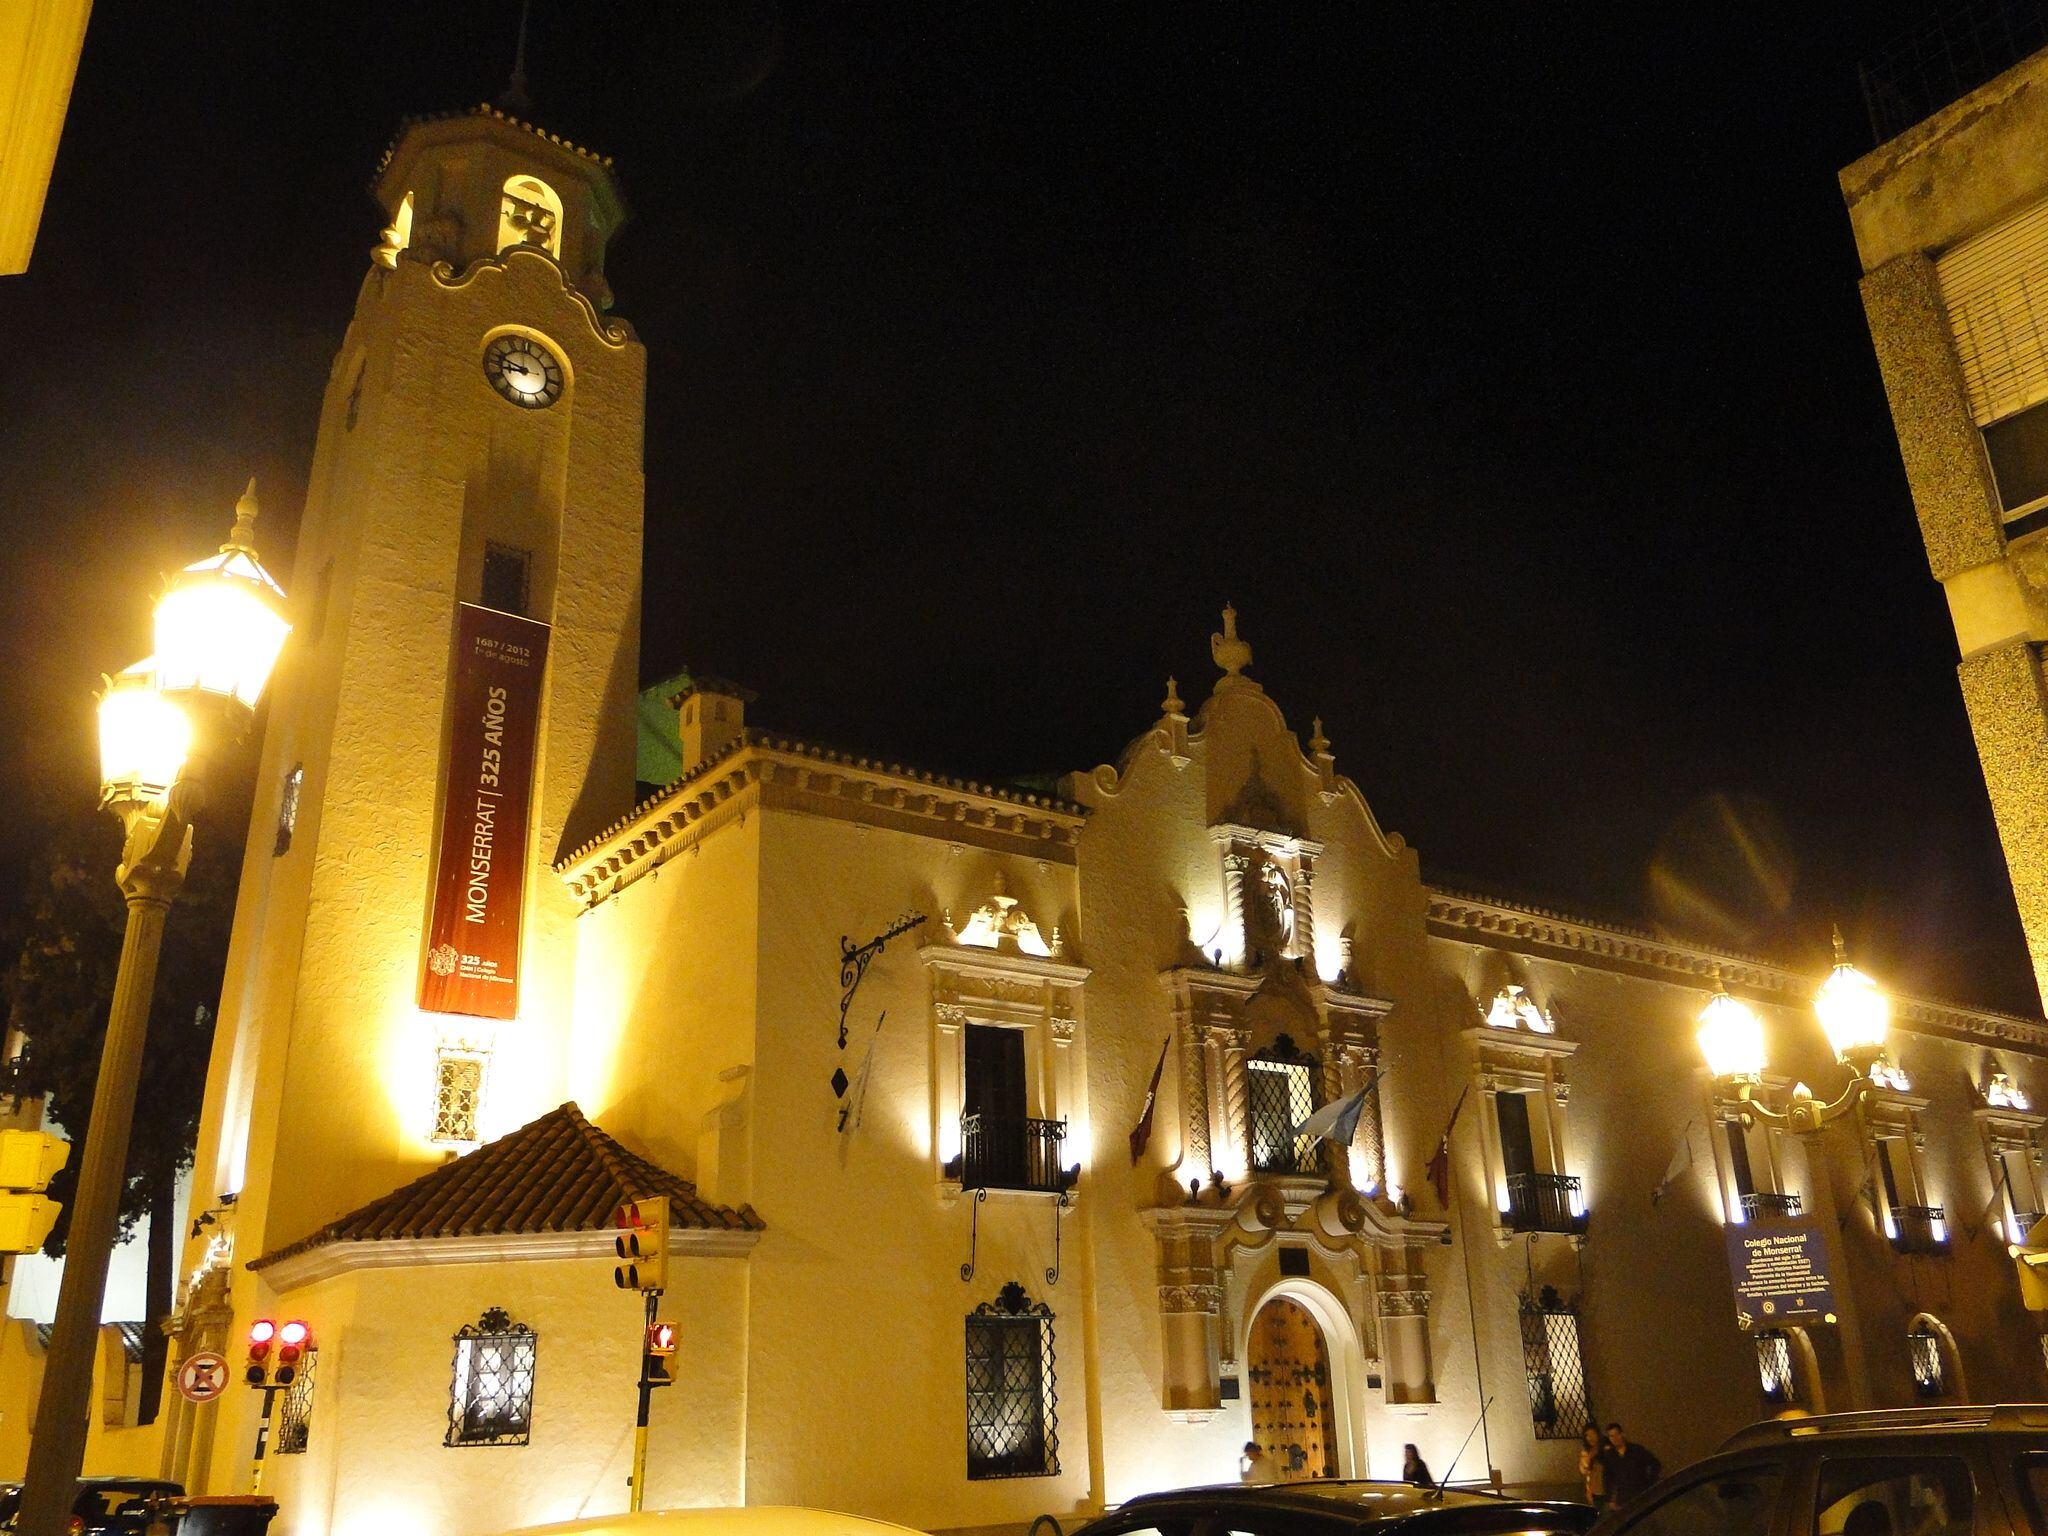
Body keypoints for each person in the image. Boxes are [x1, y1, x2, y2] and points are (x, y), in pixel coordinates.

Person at [1602, 1422, 1663, 1510]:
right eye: (1611, 1436)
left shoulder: (1636, 1450)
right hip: (1622, 1498)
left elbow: (1655, 1464)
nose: (1614, 1438)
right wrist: (1610, 1498)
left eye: (1616, 1434)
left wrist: (1649, 1482)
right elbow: (1607, 1477)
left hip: (1640, 1495)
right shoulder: (1610, 1455)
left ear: (1622, 1434)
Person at [1579, 1424, 1608, 1510]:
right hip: (1595, 1491)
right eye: (1587, 1435)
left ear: (1598, 1434)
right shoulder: (1587, 1452)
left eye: (1592, 1434)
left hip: (1607, 1491)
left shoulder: (1606, 1449)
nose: (1590, 1437)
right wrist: (1589, 1490)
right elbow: (1585, 1471)